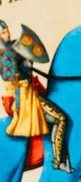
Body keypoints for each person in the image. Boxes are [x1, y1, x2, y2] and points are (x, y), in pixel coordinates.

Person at [0, 21, 70, 172]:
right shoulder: (4, 54)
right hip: (23, 96)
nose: (7, 34)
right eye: (3, 33)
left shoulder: (16, 46)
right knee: (61, 119)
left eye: (7, 31)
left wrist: (27, 62)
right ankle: (58, 161)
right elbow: (9, 77)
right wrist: (20, 70)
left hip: (31, 89)